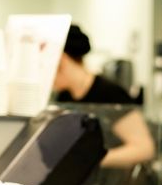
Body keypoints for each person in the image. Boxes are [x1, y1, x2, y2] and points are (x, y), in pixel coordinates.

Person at [52, 24, 155, 168]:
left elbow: (144, 149)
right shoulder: (63, 96)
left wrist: (92, 159)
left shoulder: (109, 93)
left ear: (62, 60)